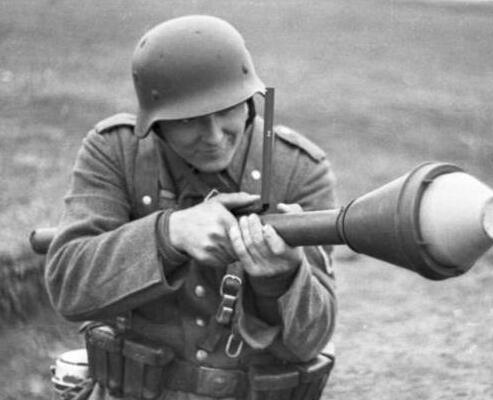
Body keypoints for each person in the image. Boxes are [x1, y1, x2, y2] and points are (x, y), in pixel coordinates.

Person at [45, 15, 337, 400]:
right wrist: (169, 235)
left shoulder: (298, 169)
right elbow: (68, 286)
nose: (214, 136)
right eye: (188, 120)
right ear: (157, 124)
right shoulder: (116, 151)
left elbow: (309, 342)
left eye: (228, 110)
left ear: (250, 101)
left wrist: (282, 279)